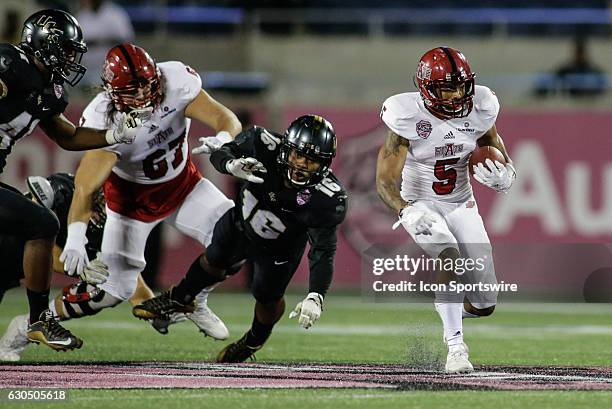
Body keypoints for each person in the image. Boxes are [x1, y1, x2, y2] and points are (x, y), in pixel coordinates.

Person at [56, 43, 241, 341]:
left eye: (146, 85)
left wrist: (223, 139)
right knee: (110, 294)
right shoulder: (104, 118)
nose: (142, 95)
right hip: (131, 206)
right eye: (132, 89)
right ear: (112, 91)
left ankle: (191, 299)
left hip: (183, 187)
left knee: (237, 237)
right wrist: (76, 234)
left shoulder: (175, 80)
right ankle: (35, 321)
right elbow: (86, 184)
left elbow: (226, 119)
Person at [133, 115, 348, 363]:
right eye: (298, 155)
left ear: (325, 164)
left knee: (267, 297)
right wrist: (229, 164)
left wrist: (316, 295)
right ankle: (179, 298)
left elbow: (323, 250)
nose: (301, 164)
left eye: (311, 160)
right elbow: (221, 153)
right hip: (241, 221)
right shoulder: (262, 143)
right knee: (214, 258)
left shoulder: (328, 198)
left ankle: (254, 340)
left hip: (281, 248)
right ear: (286, 148)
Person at [0, 9, 149, 353]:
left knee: (13, 245)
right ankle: (39, 319)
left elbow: (66, 136)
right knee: (41, 222)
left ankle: (37, 319)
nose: (70, 59)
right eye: (66, 50)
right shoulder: (8, 64)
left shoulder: (48, 88)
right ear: (44, 44)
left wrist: (113, 133)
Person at [376, 47, 516, 373]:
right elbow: (384, 182)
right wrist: (405, 210)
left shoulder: (481, 106)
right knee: (449, 256)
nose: (456, 94)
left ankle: (446, 304)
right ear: (426, 88)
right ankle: (456, 348)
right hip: (420, 203)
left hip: (461, 201)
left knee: (485, 303)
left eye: (461, 85)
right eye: (446, 88)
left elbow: (495, 149)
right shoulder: (405, 115)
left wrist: (507, 176)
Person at [0, 172, 163, 361]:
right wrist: (76, 267)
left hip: (13, 268)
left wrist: (159, 310)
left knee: (105, 290)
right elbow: (35, 238)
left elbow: (129, 281)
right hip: (5, 246)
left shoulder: (110, 229)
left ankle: (27, 326)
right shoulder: (63, 189)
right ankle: (33, 323)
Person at [76, 0, 134, 87]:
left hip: (112, 71)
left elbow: (126, 38)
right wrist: (90, 42)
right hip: (86, 70)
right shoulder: (82, 15)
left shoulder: (115, 13)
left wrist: (102, 40)